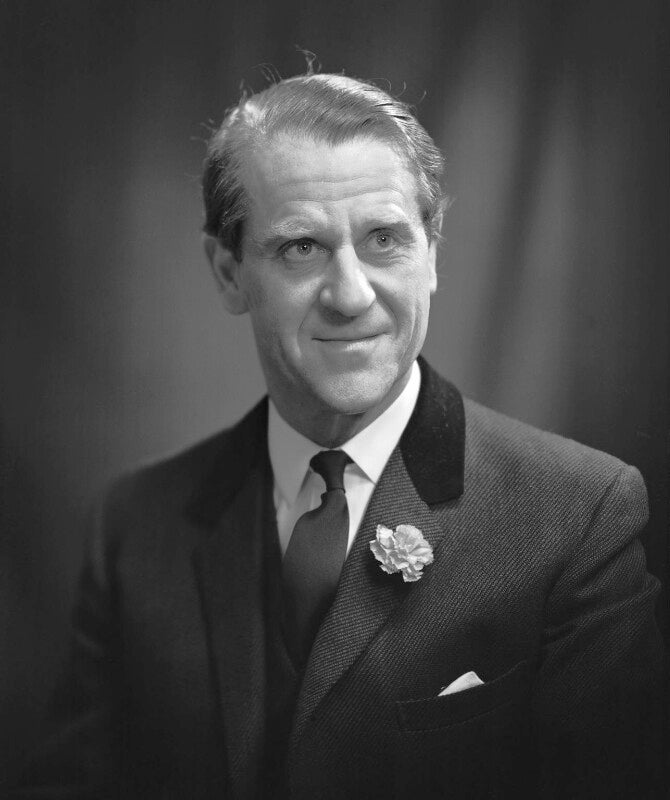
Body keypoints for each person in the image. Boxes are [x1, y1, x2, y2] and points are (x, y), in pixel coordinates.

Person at [13, 73, 663, 799]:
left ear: (432, 254)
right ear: (228, 273)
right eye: (301, 247)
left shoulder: (577, 517)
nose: (351, 294)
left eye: (384, 239)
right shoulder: (135, 528)